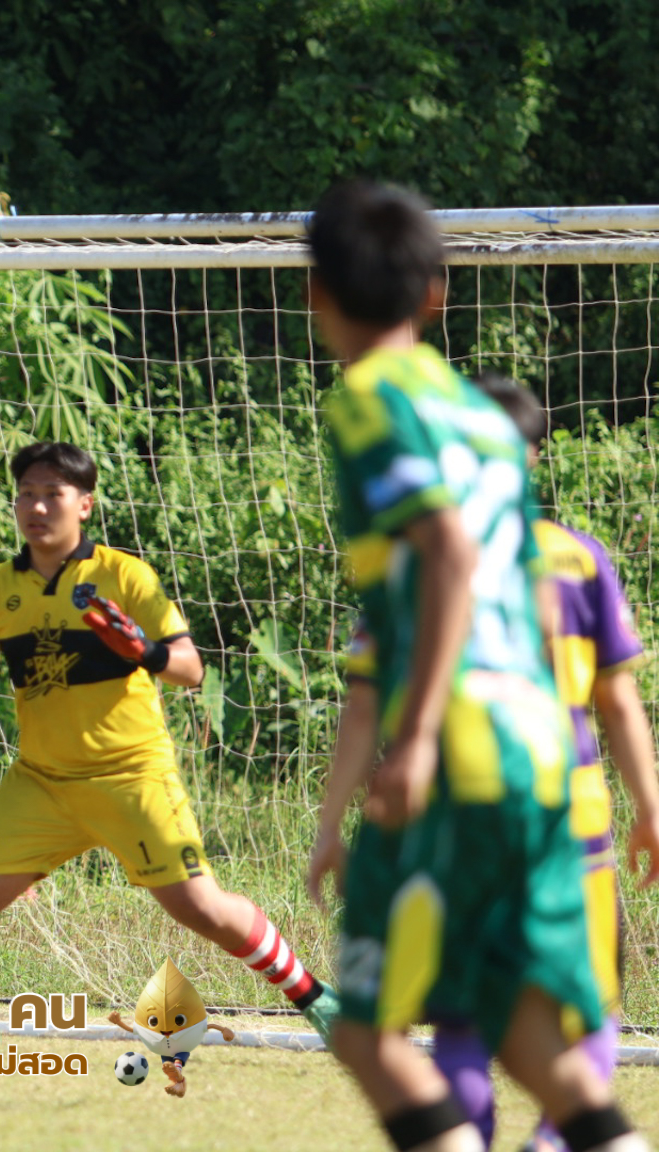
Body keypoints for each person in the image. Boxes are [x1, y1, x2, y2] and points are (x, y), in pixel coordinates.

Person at [306, 178, 643, 1152]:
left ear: (315, 294)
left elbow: (449, 550)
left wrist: (412, 741)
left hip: (457, 753)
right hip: (542, 753)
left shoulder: (365, 402)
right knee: (524, 1033)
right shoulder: (483, 418)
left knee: (366, 1032)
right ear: (434, 293)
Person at [0, 440, 337, 1067]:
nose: (36, 507)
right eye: (26, 494)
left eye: (52, 494)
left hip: (132, 775)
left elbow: (191, 669)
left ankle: (316, 997)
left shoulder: (124, 576)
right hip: (42, 782)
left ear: (84, 505)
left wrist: (143, 652)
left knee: (201, 908)